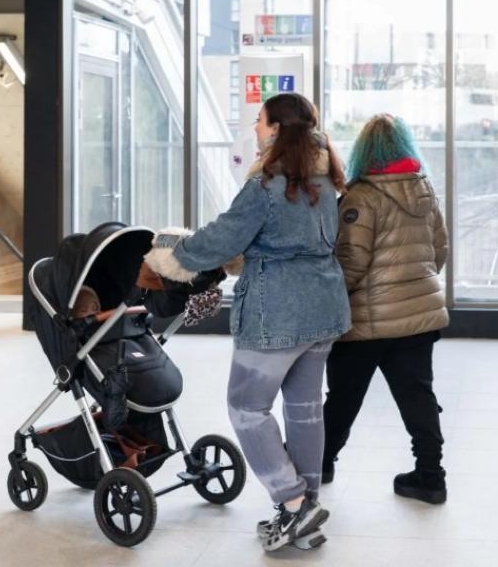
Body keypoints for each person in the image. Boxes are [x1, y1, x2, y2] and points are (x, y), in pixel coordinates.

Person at [145, 92, 350, 552]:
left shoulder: (268, 187)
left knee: (246, 407)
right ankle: (305, 507)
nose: (255, 129)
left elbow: (220, 238)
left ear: (276, 129)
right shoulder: (328, 182)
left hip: (276, 313)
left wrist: (169, 253)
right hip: (324, 308)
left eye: (259, 121)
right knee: (305, 410)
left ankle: (294, 502)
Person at [321, 113, 450, 504]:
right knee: (419, 399)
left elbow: (351, 263)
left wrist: (328, 304)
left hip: (365, 322)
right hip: (418, 319)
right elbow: (439, 250)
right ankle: (430, 477)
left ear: (363, 151)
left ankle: (320, 464)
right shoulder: (424, 188)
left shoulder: (360, 197)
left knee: (343, 398)